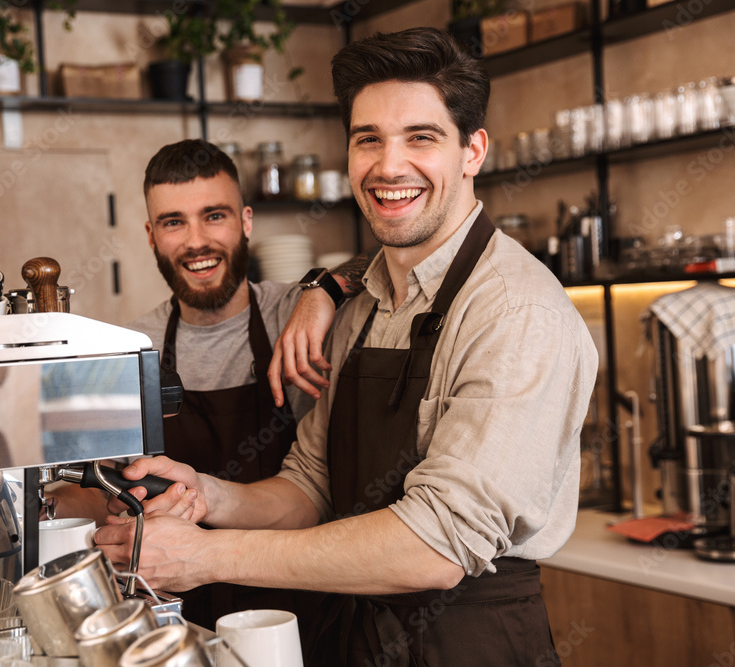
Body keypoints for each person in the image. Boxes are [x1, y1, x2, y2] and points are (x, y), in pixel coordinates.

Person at [96, 28, 598, 665]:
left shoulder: (517, 312)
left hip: (468, 646)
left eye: (421, 137)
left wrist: (204, 555)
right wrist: (207, 496)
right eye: (369, 140)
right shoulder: (358, 302)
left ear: (473, 151)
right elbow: (313, 485)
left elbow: (438, 546)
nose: (389, 167)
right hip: (355, 641)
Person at [51, 138, 371, 633]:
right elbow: (105, 489)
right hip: (185, 616)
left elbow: (389, 262)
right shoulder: (133, 349)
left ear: (246, 221)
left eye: (214, 216)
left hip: (306, 605)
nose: (196, 241)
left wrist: (323, 288)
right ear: (151, 236)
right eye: (174, 222)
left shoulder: (296, 314)